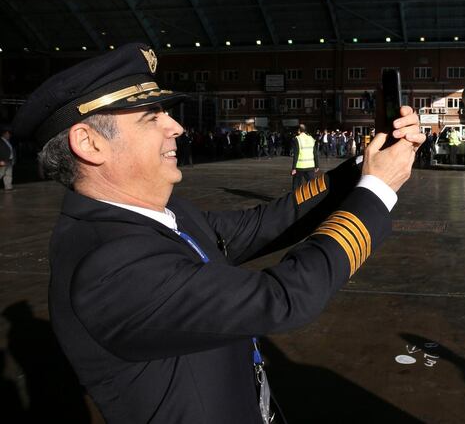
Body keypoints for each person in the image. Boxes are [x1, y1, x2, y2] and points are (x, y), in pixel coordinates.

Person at [11, 43, 424, 423]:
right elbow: (282, 299)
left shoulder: (158, 214)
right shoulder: (108, 266)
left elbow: (265, 223)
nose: (175, 127)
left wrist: (366, 164)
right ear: (89, 143)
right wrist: (376, 191)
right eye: (152, 117)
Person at [291, 124, 319, 191]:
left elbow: (296, 154)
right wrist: (317, 165)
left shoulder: (297, 139)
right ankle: (314, 199)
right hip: (310, 166)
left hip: (300, 167)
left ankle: (297, 200)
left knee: (297, 186)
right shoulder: (311, 138)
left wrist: (293, 168)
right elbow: (315, 153)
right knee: (312, 185)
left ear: (299, 131)